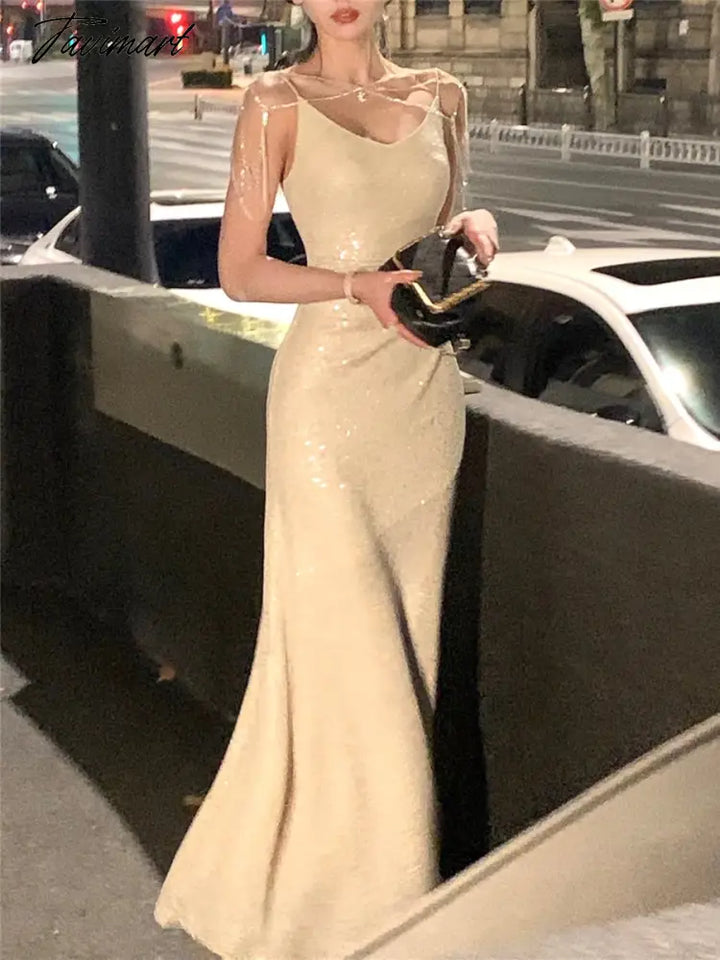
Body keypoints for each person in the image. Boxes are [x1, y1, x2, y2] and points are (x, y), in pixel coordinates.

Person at [154, 1, 499, 957]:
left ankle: (383, 882)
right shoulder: (274, 101)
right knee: (346, 645)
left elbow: (427, 233)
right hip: (324, 408)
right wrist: (355, 286)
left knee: (406, 636)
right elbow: (240, 270)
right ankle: (377, 903)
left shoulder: (443, 96)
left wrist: (469, 222)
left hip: (420, 399)